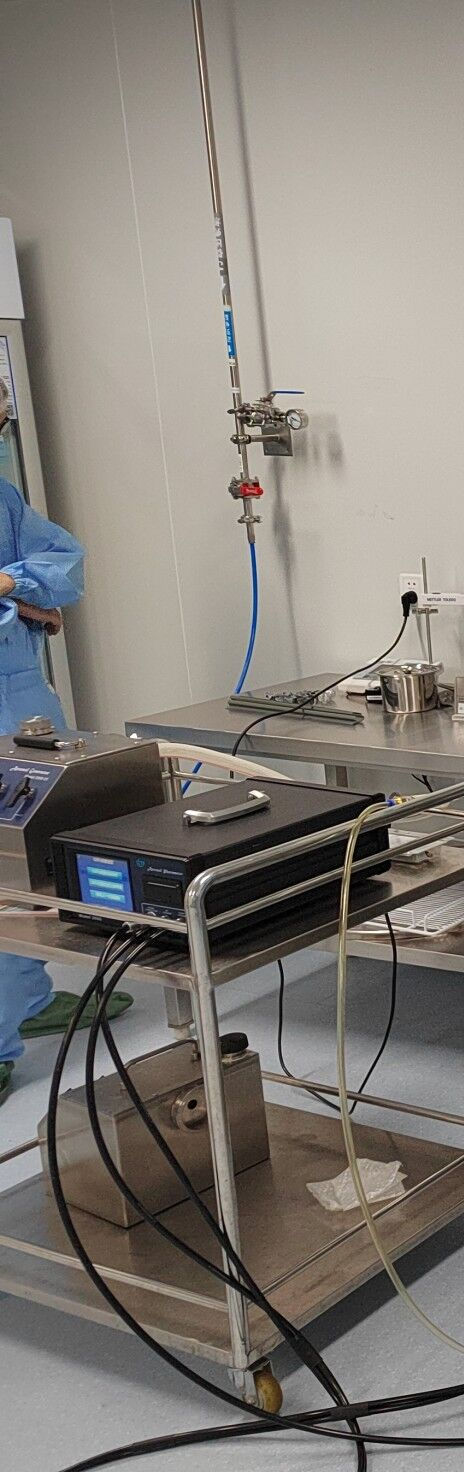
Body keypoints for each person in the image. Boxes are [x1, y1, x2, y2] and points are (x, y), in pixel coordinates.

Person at [0, 376, 116, 1109]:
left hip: (19, 699)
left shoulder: (4, 497)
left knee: (28, 857)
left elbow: (60, 563)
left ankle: (29, 996)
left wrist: (15, 586)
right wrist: (20, 593)